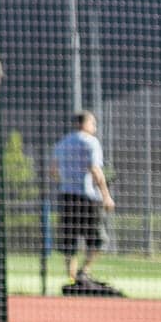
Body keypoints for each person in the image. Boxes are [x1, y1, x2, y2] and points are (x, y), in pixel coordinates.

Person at [50, 110, 116, 291]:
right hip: (87, 198)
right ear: (85, 124)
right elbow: (95, 169)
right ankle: (84, 272)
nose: (95, 127)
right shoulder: (91, 143)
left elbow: (53, 171)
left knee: (69, 239)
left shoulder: (62, 143)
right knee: (97, 239)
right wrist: (106, 195)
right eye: (93, 123)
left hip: (66, 196)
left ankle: (72, 280)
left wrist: (66, 181)